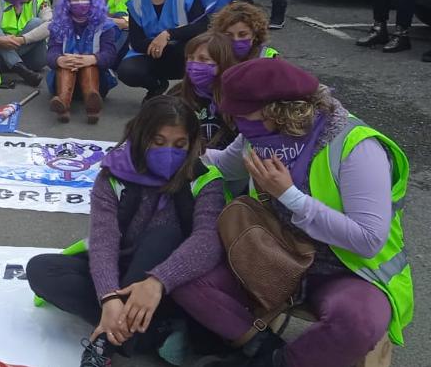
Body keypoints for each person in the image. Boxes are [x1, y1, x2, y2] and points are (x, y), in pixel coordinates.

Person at [172, 60, 411, 367]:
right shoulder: (260, 136)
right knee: (184, 278)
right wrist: (171, 151)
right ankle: (261, 349)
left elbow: (368, 240)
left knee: (359, 323)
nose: (236, 123)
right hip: (277, 257)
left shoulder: (356, 148)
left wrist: (289, 196)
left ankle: (279, 362)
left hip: (348, 271)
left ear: (278, 109)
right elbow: (223, 164)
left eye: (242, 114)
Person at [27, 96, 225, 367]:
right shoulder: (113, 175)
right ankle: (151, 334)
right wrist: (109, 297)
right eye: (158, 142)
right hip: (123, 268)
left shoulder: (205, 178)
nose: (169, 152)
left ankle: (105, 345)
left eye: (180, 145)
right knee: (41, 269)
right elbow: (104, 240)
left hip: (175, 281)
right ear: (141, 137)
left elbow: (208, 242)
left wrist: (158, 281)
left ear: (191, 144)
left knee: (164, 235)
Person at [118, 0, 207, 99]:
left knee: (192, 49)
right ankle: (156, 86)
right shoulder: (136, 2)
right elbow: (136, 41)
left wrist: (168, 35)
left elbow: (202, 26)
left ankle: (192, 95)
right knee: (127, 71)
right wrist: (158, 44)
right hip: (151, 53)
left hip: (181, 52)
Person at [46, 0, 121, 124]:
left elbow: (110, 55)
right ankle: (63, 104)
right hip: (63, 82)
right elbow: (50, 53)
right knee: (66, 64)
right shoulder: (59, 25)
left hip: (99, 84)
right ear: (67, 2)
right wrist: (59, 60)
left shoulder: (105, 26)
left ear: (93, 0)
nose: (80, 2)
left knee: (88, 65)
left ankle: (92, 106)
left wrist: (92, 59)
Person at [171, 32, 239, 150]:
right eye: (190, 58)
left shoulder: (238, 99)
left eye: (203, 59)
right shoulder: (176, 94)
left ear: (222, 63)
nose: (194, 65)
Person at [209, 1, 279, 61]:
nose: (236, 39)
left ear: (255, 34)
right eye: (229, 35)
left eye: (242, 34)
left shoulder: (270, 58)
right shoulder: (213, 57)